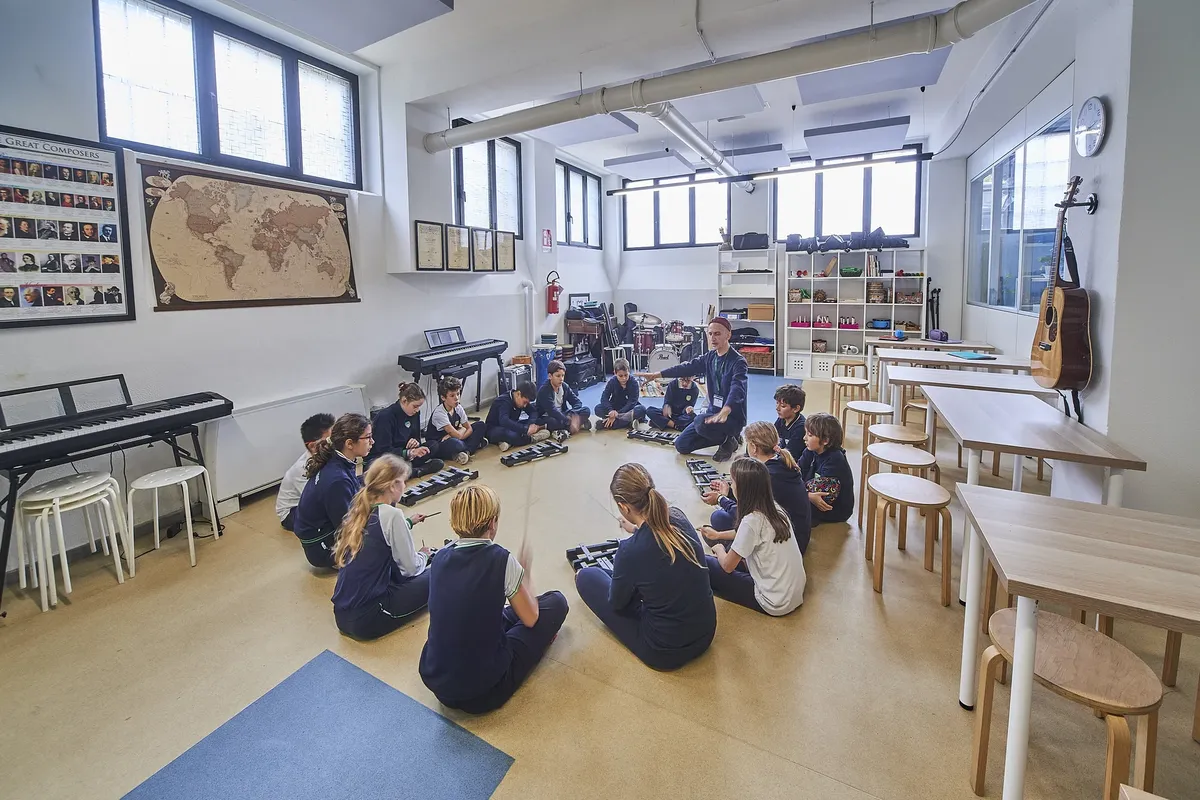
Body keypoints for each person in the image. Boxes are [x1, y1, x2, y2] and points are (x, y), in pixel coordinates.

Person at [419, 485, 568, 713]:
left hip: (440, 687)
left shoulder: (440, 557)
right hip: (485, 692)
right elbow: (531, 619)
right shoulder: (501, 558)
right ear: (492, 523)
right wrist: (525, 573)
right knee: (556, 602)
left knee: (482, 616)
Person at [574, 464, 716, 670]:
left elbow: (617, 604)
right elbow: (658, 542)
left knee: (587, 576)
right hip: (705, 634)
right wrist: (636, 529)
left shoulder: (629, 551)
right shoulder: (678, 516)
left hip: (665, 651)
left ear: (624, 507)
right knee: (636, 575)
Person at [331, 455, 433, 640]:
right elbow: (410, 569)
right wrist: (424, 556)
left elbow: (378, 537)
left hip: (342, 617)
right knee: (438, 571)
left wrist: (409, 523)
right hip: (369, 618)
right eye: (403, 481)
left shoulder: (359, 510)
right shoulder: (393, 515)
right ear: (393, 485)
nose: (405, 486)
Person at [704, 457, 806, 616]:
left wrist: (718, 548)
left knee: (706, 562)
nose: (731, 485)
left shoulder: (751, 520)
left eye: (732, 482)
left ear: (742, 488)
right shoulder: (774, 507)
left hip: (773, 602)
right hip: (792, 593)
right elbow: (747, 534)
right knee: (730, 548)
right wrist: (718, 535)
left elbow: (727, 566)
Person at [638, 317, 748, 461]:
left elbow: (738, 388)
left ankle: (729, 440)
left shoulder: (738, 361)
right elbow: (686, 368)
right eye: (710, 334)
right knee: (681, 445)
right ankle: (728, 438)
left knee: (699, 421)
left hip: (731, 417)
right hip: (713, 415)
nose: (713, 338)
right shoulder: (710, 357)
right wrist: (657, 374)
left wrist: (727, 408)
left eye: (717, 334)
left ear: (728, 335)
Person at [700, 421, 812, 554]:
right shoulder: (781, 461)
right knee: (721, 517)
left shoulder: (766, 476)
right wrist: (729, 492)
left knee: (719, 517)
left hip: (783, 541)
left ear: (753, 447)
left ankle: (731, 546)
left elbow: (750, 515)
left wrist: (720, 499)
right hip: (796, 535)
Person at [292, 413, 372, 569]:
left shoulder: (336, 459)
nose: (372, 442)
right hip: (322, 549)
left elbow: (353, 487)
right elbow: (347, 526)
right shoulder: (337, 480)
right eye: (368, 437)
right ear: (349, 444)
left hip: (322, 535)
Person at [368, 382, 445, 478]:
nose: (417, 410)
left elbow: (416, 437)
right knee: (380, 467)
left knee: (433, 445)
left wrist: (415, 442)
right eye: (415, 406)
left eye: (419, 407)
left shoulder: (415, 414)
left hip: (405, 454)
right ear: (404, 401)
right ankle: (416, 471)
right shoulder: (385, 417)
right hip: (386, 456)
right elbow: (383, 451)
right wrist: (409, 453)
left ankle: (407, 470)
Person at [276, 413, 334, 531]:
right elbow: (314, 499)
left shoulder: (328, 456)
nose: (336, 443)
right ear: (313, 446)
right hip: (292, 512)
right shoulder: (302, 468)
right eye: (330, 440)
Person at [799, 412, 855, 525]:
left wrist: (804, 494)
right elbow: (797, 471)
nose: (804, 438)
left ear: (825, 440)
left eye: (810, 435)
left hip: (834, 509)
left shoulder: (835, 460)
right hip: (812, 494)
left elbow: (822, 496)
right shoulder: (810, 450)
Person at [426, 375, 488, 464]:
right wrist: (461, 431)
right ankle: (473, 446)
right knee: (456, 444)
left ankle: (465, 452)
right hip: (440, 444)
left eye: (458, 394)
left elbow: (469, 428)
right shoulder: (439, 413)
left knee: (481, 425)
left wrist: (457, 432)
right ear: (443, 397)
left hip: (454, 436)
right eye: (452, 395)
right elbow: (459, 436)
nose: (456, 398)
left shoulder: (458, 407)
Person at [485, 380, 549, 451]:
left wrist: (530, 425)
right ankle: (533, 438)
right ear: (518, 394)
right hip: (494, 429)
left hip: (511, 426)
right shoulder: (503, 401)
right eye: (524, 402)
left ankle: (508, 442)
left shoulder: (521, 399)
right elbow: (504, 421)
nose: (525, 406)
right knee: (510, 434)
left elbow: (533, 412)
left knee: (543, 420)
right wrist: (525, 429)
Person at [535, 359, 591, 436]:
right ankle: (577, 424)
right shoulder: (544, 391)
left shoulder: (564, 386)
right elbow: (552, 411)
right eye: (558, 376)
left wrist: (572, 414)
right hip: (548, 417)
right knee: (553, 422)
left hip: (564, 414)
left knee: (586, 410)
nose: (561, 379)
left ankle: (567, 428)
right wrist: (569, 420)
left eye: (563, 375)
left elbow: (577, 402)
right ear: (550, 376)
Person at [594, 358, 645, 430]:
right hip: (615, 407)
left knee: (641, 409)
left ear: (629, 371)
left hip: (629, 409)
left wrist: (618, 414)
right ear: (615, 373)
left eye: (626, 375)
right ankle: (628, 422)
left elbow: (632, 402)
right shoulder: (612, 382)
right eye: (620, 376)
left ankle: (608, 424)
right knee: (598, 408)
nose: (624, 378)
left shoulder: (634, 383)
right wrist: (610, 410)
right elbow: (604, 398)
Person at [774, 384, 807, 463]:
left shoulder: (800, 428)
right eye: (777, 403)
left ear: (796, 408)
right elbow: (771, 438)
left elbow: (791, 455)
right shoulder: (781, 419)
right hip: (779, 456)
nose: (777, 408)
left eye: (783, 406)